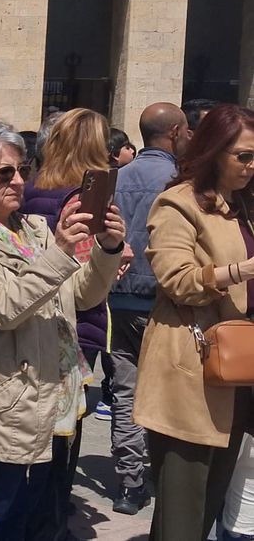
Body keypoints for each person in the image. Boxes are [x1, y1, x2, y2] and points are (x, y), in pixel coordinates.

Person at [0, 121, 124, 539]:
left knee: (24, 521)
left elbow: (80, 296)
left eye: (23, 170)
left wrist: (107, 249)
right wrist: (60, 253)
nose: (19, 181)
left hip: (47, 402)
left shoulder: (34, 228)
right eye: (5, 173)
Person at [134, 104, 254, 540]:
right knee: (184, 510)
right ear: (214, 151)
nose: (251, 166)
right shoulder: (178, 203)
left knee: (212, 501)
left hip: (239, 370)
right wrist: (241, 271)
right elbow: (177, 280)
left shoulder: (243, 205)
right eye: (243, 156)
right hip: (193, 368)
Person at [20, 107, 120, 539]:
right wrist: (111, 253)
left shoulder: (30, 189)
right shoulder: (81, 199)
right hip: (76, 325)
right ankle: (51, 522)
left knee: (38, 434)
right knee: (63, 437)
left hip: (36, 317)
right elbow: (81, 284)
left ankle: (39, 516)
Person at [107, 101, 191, 516]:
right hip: (162, 301)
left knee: (125, 391)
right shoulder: (180, 183)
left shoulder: (116, 178)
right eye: (187, 130)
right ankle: (162, 473)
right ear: (174, 132)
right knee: (168, 391)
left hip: (116, 298)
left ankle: (129, 482)